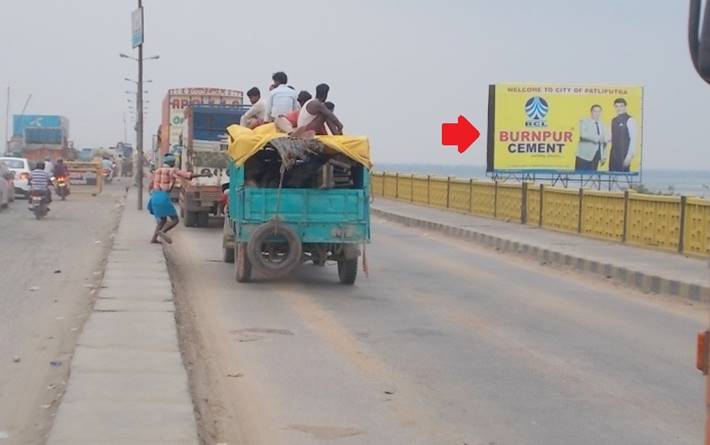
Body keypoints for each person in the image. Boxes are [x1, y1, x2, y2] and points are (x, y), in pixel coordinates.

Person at [147, 156, 198, 244]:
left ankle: (154, 239)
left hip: (154, 196)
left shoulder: (157, 170)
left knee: (163, 220)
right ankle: (163, 231)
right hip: (163, 196)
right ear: (172, 163)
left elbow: (150, 185)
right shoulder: (172, 170)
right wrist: (201, 175)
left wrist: (151, 193)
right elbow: (188, 175)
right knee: (175, 220)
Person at [576, 105, 608, 171]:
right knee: (580, 176)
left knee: (592, 177)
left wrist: (603, 156)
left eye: (599, 111)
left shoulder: (603, 124)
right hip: (584, 155)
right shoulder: (584, 121)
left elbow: (605, 142)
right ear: (591, 112)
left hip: (596, 156)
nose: (597, 113)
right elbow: (583, 135)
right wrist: (598, 138)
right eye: (595, 111)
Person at [609, 98, 637, 172]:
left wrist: (629, 156)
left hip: (624, 155)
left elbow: (633, 138)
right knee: (612, 177)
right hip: (613, 154)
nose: (619, 108)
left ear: (625, 107)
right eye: (616, 106)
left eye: (621, 106)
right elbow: (611, 137)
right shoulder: (613, 120)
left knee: (624, 175)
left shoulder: (630, 120)